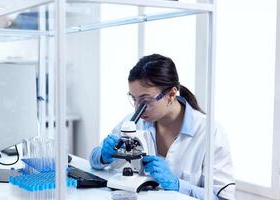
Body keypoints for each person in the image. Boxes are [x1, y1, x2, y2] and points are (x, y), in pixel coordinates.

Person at [89, 54, 235, 200]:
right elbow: (93, 160)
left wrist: (178, 185)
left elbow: (223, 198)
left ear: (171, 94)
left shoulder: (210, 132)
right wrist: (103, 156)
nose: (137, 108)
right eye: (134, 99)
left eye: (145, 100)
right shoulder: (133, 122)